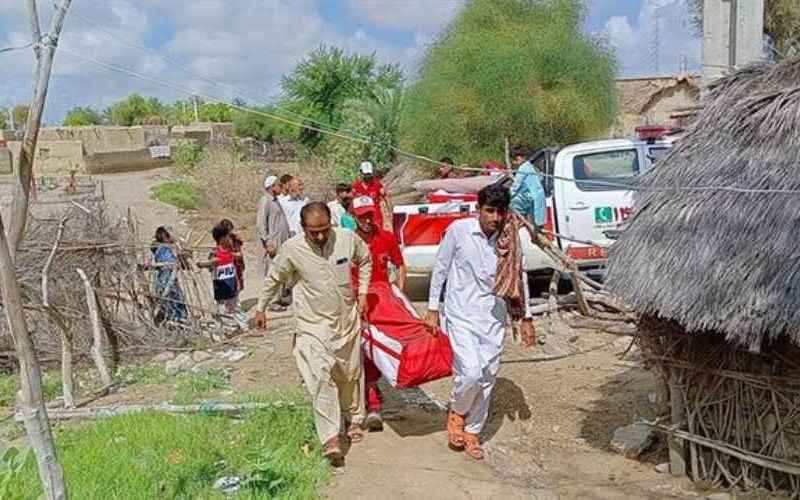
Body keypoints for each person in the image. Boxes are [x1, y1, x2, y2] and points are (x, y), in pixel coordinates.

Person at [253, 202, 372, 464]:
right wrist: (261, 308)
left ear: (331, 222)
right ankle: (330, 437)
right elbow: (274, 278)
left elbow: (364, 260)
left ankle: (353, 418)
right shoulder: (292, 249)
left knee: (349, 374)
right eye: (313, 231)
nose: (319, 236)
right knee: (318, 375)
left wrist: (363, 293)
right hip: (311, 324)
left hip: (346, 319)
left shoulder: (346, 238)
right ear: (302, 228)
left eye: (324, 229)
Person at [425, 185, 535, 461]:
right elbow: (440, 268)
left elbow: (519, 279)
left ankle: (473, 431)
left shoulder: (510, 240)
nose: (495, 218)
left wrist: (526, 317)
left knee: (487, 377)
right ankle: (458, 413)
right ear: (478, 209)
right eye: (489, 211)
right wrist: (432, 309)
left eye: (500, 212)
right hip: (460, 314)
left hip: (493, 318)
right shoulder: (459, 231)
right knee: (471, 372)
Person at [350, 195, 407, 431]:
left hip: (381, 305)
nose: (366, 219)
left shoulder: (386, 238)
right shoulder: (347, 242)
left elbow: (400, 265)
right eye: (361, 215)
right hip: (354, 303)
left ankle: (372, 401)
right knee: (357, 352)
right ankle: (362, 398)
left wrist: (398, 295)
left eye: (369, 214)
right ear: (353, 216)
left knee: (376, 349)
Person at [150, 226, 188, 324]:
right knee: (171, 301)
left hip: (169, 280)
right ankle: (174, 320)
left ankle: (172, 319)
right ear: (164, 236)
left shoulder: (166, 248)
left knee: (173, 300)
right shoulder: (163, 249)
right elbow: (169, 264)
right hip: (167, 280)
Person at [256, 175, 290, 278]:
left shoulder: (275, 200)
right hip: (273, 243)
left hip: (281, 241)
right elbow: (260, 224)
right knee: (272, 272)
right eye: (279, 185)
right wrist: (267, 243)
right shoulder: (265, 200)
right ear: (272, 187)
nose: (281, 187)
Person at [509, 146, 546, 227]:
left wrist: (508, 197)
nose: (514, 161)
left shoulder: (523, 168)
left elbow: (516, 185)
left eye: (516, 159)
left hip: (531, 198)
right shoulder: (529, 166)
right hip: (536, 196)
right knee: (537, 222)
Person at [352, 161, 388, 231]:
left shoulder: (377, 185)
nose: (367, 175)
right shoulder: (356, 187)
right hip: (362, 219)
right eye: (366, 173)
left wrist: (390, 213)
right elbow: (352, 203)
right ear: (361, 172)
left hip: (376, 217)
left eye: (369, 173)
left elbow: (386, 198)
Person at [218, 219, 245, 292]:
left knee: (238, 282)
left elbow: (239, 248)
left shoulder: (235, 238)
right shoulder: (222, 240)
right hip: (228, 264)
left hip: (237, 263)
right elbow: (221, 252)